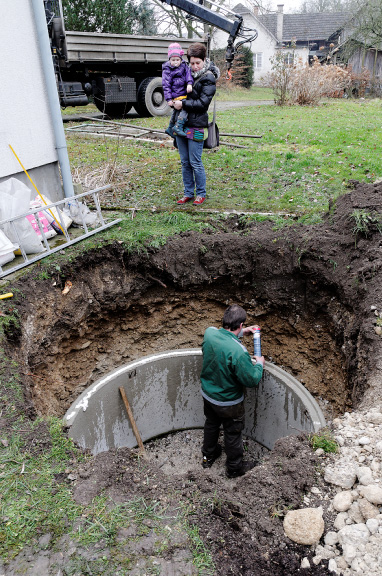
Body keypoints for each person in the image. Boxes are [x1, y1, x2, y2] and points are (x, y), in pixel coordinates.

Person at [200, 304, 265, 478]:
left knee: (211, 424)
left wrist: (243, 333)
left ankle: (208, 455)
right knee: (233, 432)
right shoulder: (239, 351)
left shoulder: (209, 333)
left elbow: (224, 339)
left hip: (208, 395)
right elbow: (251, 379)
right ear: (241, 324)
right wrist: (259, 364)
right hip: (228, 403)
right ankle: (235, 468)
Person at [172, 42, 219, 206]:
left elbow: (202, 104)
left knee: (195, 162)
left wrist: (183, 104)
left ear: (204, 60)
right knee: (185, 162)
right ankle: (187, 193)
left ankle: (201, 193)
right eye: (191, 63)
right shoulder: (184, 74)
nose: (194, 66)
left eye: (197, 63)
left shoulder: (208, 78)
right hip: (181, 125)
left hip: (197, 126)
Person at [162, 43, 194, 138]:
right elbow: (166, 85)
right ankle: (178, 126)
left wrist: (189, 83)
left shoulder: (184, 66)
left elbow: (189, 74)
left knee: (176, 111)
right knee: (185, 108)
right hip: (175, 94)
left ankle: (170, 126)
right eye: (173, 60)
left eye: (177, 60)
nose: (175, 62)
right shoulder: (167, 70)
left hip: (183, 93)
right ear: (169, 60)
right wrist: (168, 99)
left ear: (181, 59)